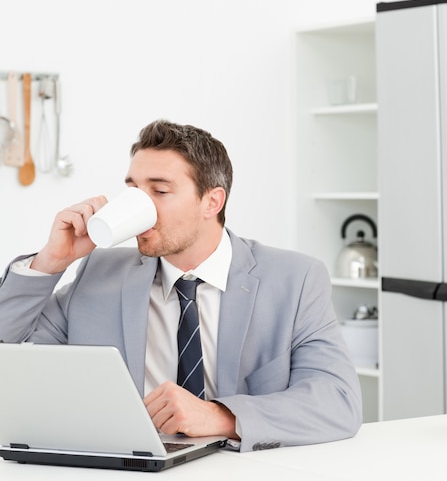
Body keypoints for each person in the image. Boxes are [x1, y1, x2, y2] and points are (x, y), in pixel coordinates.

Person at [0, 119, 362, 452]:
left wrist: (218, 416)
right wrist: (50, 263)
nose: (141, 205)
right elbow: (9, 356)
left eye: (159, 191)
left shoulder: (294, 280)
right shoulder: (98, 273)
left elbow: (337, 401)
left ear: (212, 201)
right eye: (133, 190)